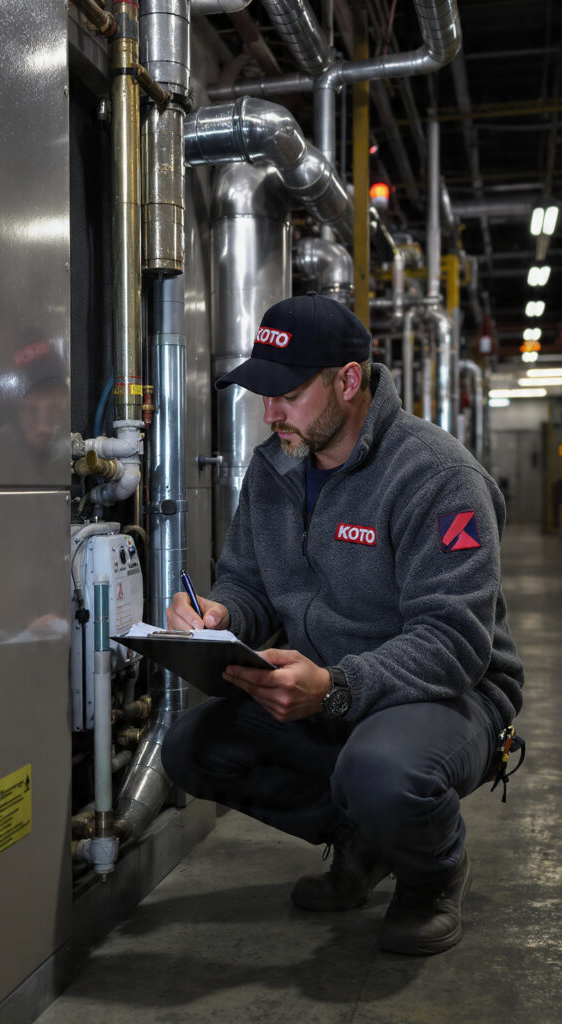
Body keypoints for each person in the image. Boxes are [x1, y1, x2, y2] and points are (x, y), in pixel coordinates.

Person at [161, 292, 524, 956]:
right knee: (194, 748)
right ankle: (367, 839)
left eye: (287, 393)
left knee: (383, 772)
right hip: (331, 684)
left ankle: (434, 871)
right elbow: (249, 581)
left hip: (446, 693)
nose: (269, 413)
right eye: (261, 394)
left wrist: (333, 687)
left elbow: (454, 642)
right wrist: (221, 612)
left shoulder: (437, 478)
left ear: (348, 381)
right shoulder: (275, 466)